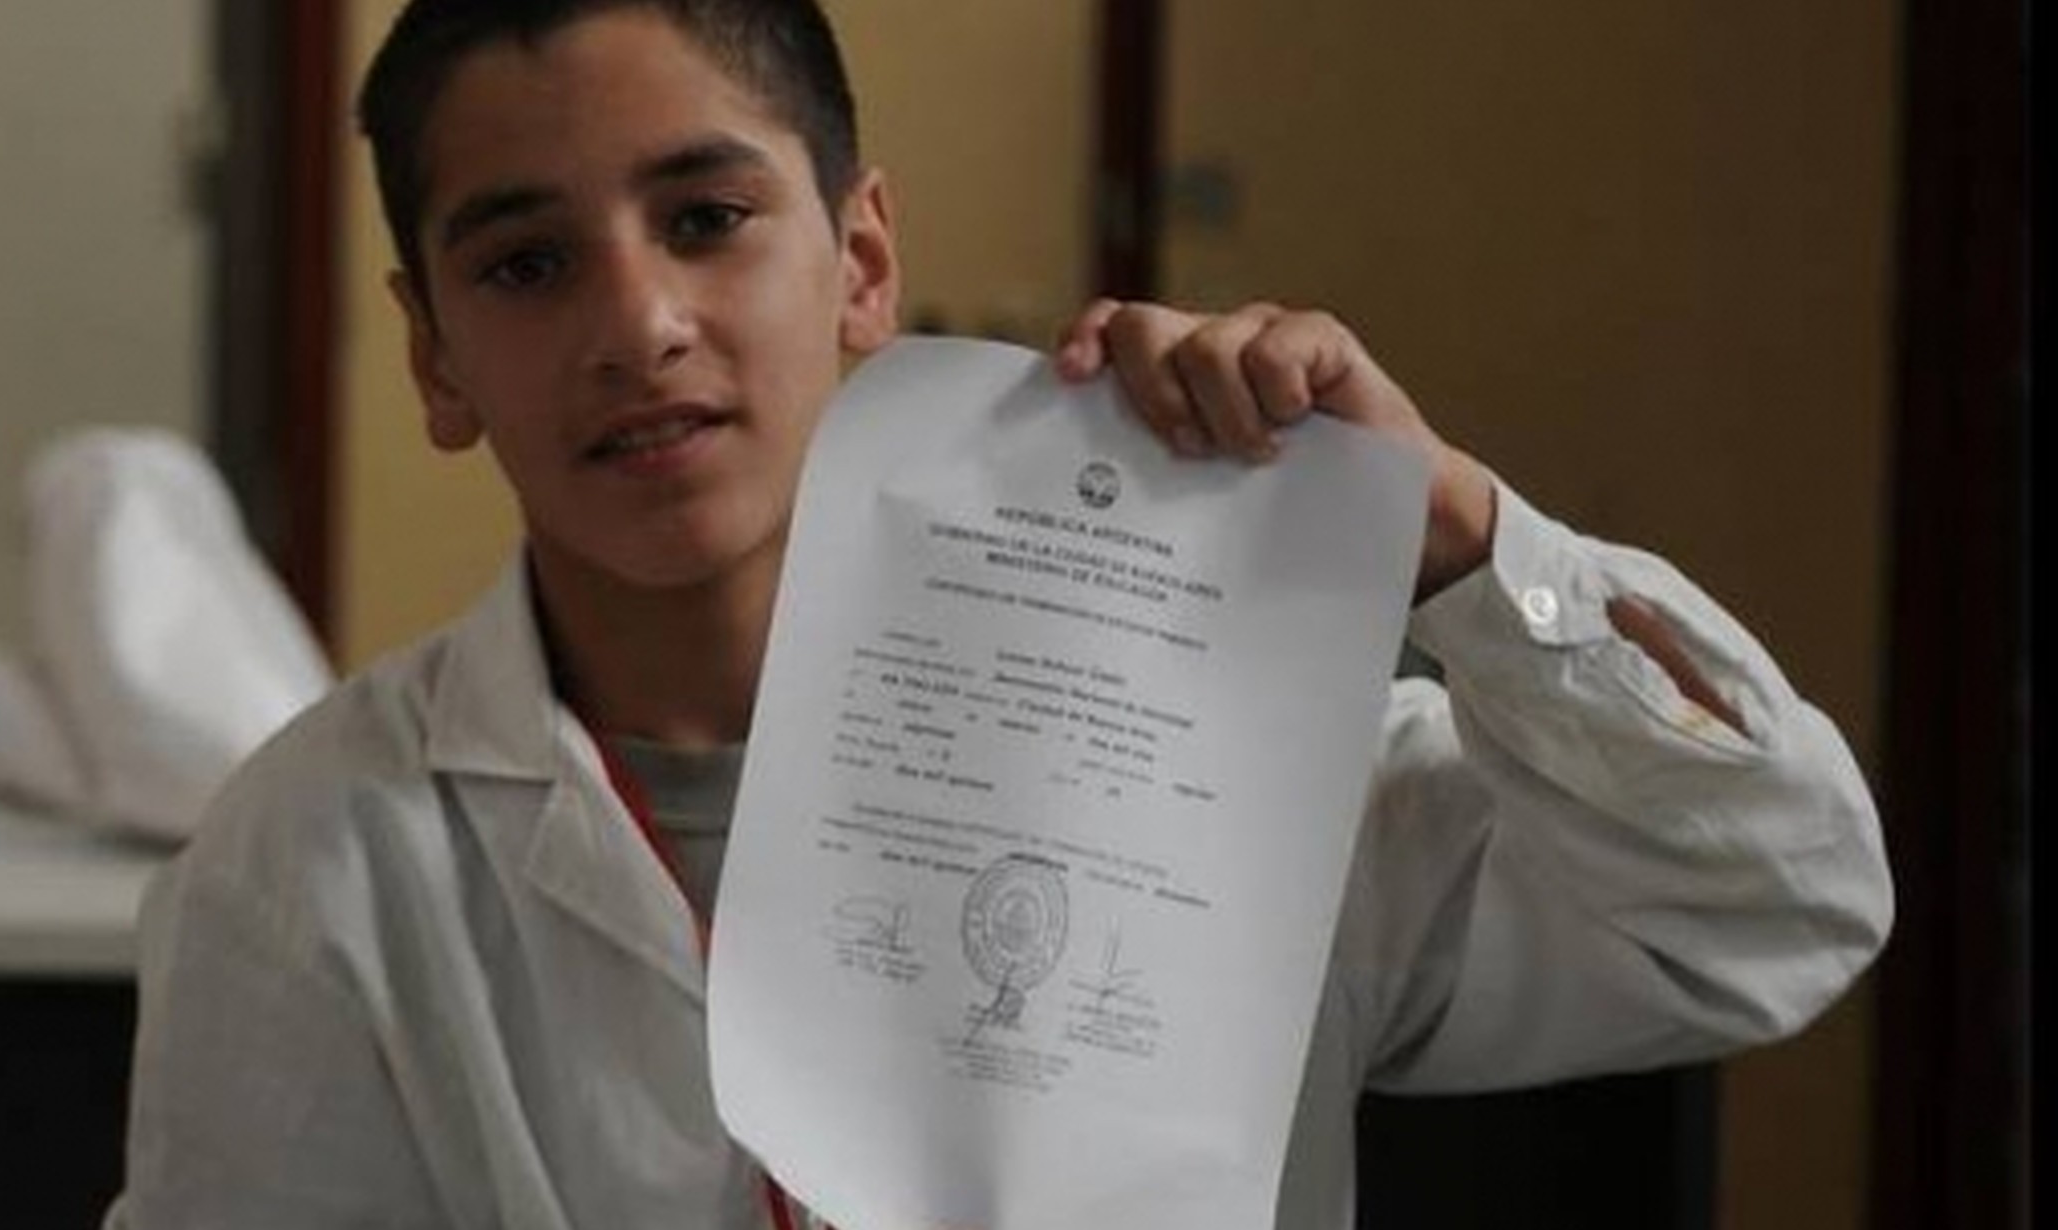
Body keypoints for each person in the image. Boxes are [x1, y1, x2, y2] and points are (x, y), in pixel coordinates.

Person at [105, 1, 1893, 1226]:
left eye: (707, 216)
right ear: (435, 355)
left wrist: (1452, 542)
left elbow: (1778, 904)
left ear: (861, 261)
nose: (636, 324)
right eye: (524, 262)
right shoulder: (314, 855)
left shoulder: (1214, 755)